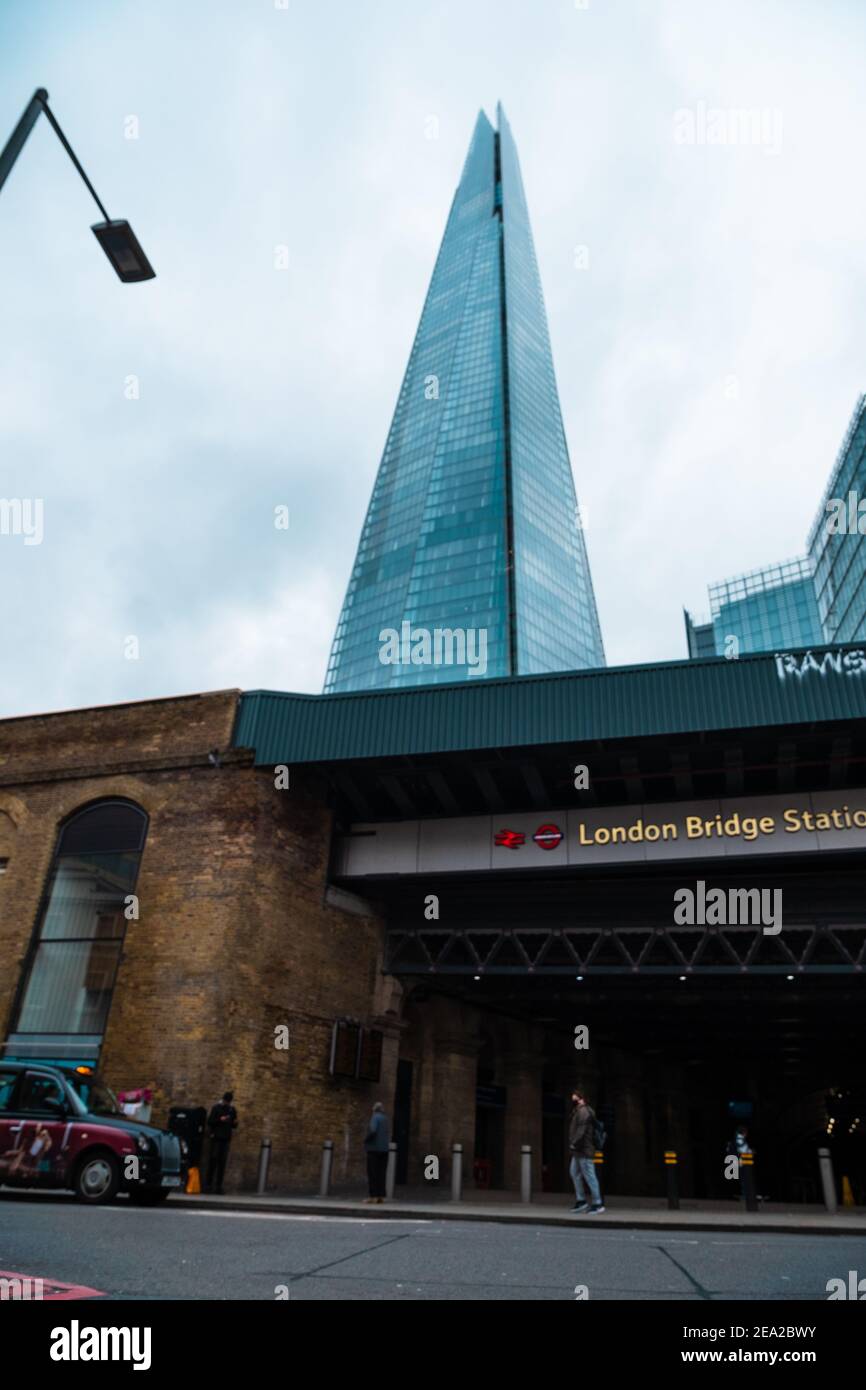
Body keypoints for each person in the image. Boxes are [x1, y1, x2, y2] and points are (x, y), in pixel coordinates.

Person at [568, 1088, 605, 1214]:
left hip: (584, 1149)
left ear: (582, 1099)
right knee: (574, 1173)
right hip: (579, 1150)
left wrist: (574, 1143)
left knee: (590, 1176)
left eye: (575, 1097)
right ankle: (581, 1201)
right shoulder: (579, 1110)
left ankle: (597, 1203)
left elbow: (582, 1130)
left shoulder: (584, 1111)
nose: (573, 1099)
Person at [205, 1090, 238, 1194]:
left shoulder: (232, 1110)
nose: (227, 1103)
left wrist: (235, 1123)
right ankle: (208, 1185)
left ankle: (219, 1187)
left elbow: (233, 1125)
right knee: (213, 1161)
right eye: (226, 1101)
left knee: (222, 1164)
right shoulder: (216, 1108)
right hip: (216, 1139)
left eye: (229, 1102)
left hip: (226, 1139)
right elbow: (210, 1122)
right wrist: (220, 1119)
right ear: (223, 1100)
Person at [363, 1101, 390, 1203]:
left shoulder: (375, 1117)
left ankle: (372, 1196)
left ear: (374, 1109)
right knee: (381, 1173)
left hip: (374, 1149)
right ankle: (380, 1196)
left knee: (372, 1173)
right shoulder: (385, 1119)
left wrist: (366, 1139)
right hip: (384, 1149)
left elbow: (373, 1130)